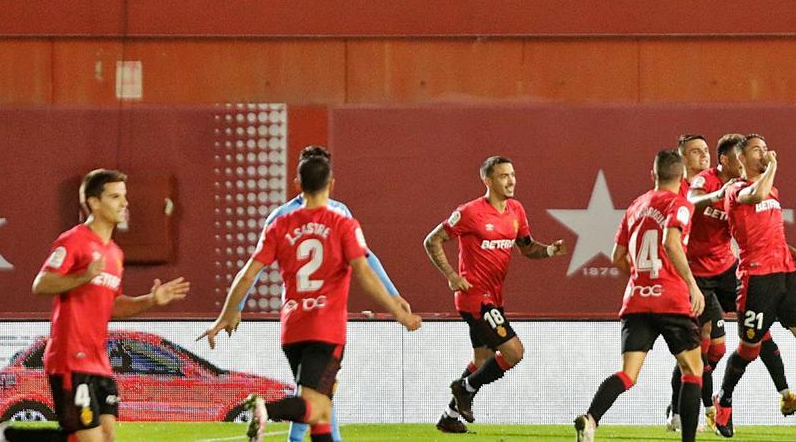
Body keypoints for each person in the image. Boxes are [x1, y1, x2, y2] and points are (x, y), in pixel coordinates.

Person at [202, 154, 421, 442]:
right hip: (326, 328)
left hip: (293, 330)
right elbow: (365, 270)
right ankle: (264, 408)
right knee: (316, 405)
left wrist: (228, 312)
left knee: (321, 409)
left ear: (298, 183)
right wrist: (398, 310)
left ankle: (290, 430)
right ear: (331, 183)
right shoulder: (343, 221)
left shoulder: (279, 223)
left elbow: (247, 274)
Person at [0, 169, 190, 442]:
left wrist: (151, 300)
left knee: (106, 437)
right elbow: (42, 284)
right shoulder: (74, 241)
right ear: (94, 202)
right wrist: (83, 276)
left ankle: (8, 436)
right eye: (115, 197)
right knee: (88, 439)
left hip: (98, 360)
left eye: (124, 197)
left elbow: (113, 306)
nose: (124, 203)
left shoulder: (114, 253)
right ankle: (9, 436)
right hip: (71, 356)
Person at [665, 134, 796, 432]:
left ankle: (784, 395)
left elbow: (754, 230)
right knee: (707, 347)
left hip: (725, 268)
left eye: (705, 150)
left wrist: (791, 253)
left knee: (759, 328)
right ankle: (686, 406)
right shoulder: (706, 181)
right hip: (697, 274)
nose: (703, 156)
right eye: (697, 152)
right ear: (728, 160)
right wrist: (717, 195)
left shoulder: (742, 187)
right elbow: (691, 203)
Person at [711, 135, 796, 439]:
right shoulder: (735, 189)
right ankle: (724, 399)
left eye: (765, 148)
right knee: (749, 349)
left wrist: (795, 253)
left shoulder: (770, 188)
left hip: (787, 276)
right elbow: (755, 195)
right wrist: (771, 167)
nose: (765, 153)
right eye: (757, 150)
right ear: (741, 159)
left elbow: (768, 232)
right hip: (757, 280)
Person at [423, 156, 567, 432]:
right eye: (503, 176)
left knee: (482, 361)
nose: (511, 180)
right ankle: (465, 388)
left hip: (495, 298)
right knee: (514, 352)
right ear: (487, 181)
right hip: (475, 298)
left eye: (512, 174)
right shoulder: (469, 212)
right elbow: (432, 241)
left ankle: (449, 417)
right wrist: (452, 276)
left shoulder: (516, 210)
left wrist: (549, 250)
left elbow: (526, 248)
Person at [574, 149, 705, 442]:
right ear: (682, 176)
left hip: (636, 300)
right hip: (671, 300)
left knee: (628, 374)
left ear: (653, 175)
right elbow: (672, 243)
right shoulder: (680, 204)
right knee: (693, 369)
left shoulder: (636, 206)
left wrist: (640, 278)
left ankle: (591, 418)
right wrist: (691, 285)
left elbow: (616, 255)